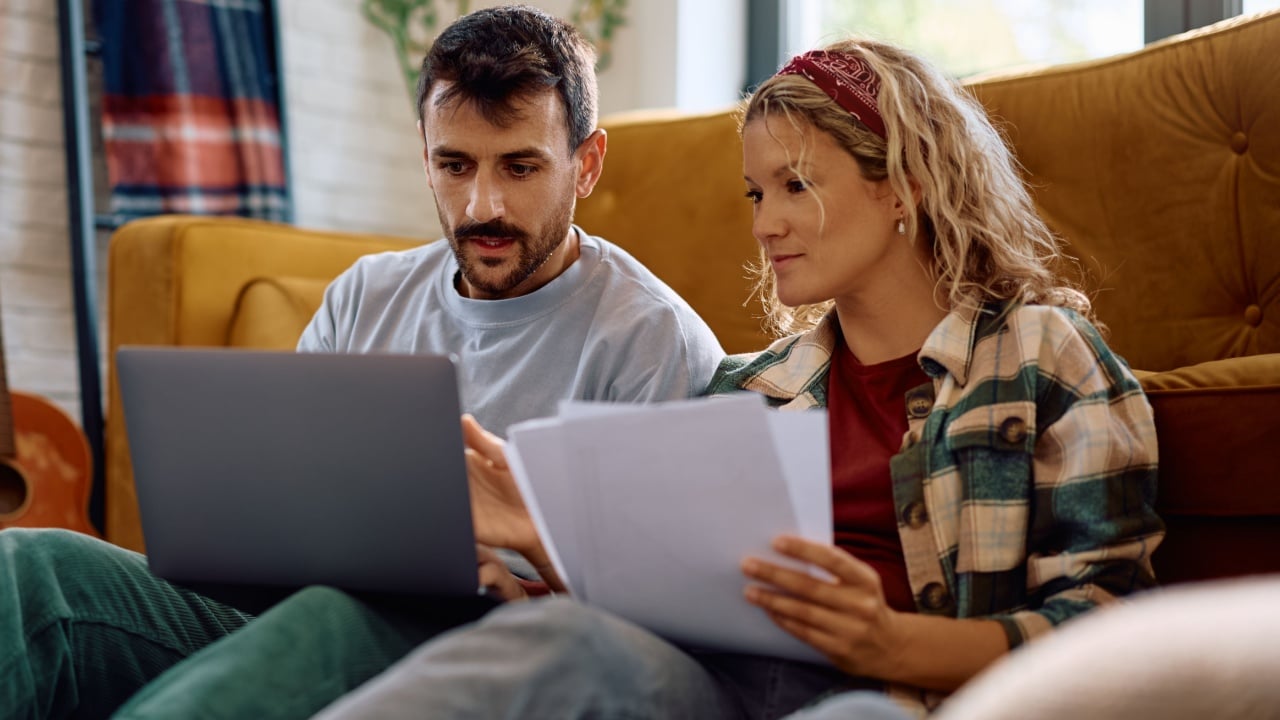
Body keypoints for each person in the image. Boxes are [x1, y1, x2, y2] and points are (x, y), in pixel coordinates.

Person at [308, 36, 1165, 719]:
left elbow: (1106, 626)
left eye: (795, 185)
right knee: (562, 647)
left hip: (899, 696)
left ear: (903, 186)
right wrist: (540, 534)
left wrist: (889, 644)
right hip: (717, 690)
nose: (766, 224)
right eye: (756, 194)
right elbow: (656, 606)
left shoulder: (1042, 358)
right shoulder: (753, 388)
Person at [0, 6, 723, 719]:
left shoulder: (649, 339)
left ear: (586, 164)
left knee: (335, 618)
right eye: (455, 164)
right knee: (33, 568)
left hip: (474, 649)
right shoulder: (364, 295)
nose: (483, 205)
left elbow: (658, 625)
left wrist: (524, 595)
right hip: (292, 607)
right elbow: (286, 496)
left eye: (521, 167)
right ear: (424, 153)